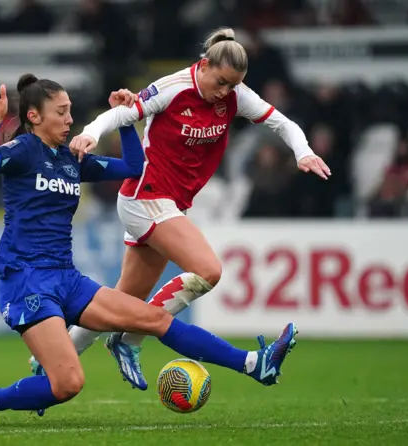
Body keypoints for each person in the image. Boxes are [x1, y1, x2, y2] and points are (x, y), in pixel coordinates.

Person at [0, 74, 298, 424]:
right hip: (27, 280)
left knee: (155, 318)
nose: (69, 120)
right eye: (61, 112)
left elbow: (134, 168)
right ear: (34, 116)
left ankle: (253, 364)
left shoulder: (71, 159)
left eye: (70, 111)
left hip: (67, 278)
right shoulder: (23, 152)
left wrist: (125, 118)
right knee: (68, 384)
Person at [63, 27, 328, 391]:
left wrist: (304, 152)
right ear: (203, 65)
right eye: (220, 82)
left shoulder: (234, 96)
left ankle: (54, 359)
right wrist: (91, 133)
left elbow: (282, 122)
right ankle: (130, 339)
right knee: (208, 270)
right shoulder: (172, 88)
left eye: (232, 86)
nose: (224, 92)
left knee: (123, 300)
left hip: (171, 204)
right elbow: (123, 114)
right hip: (146, 196)